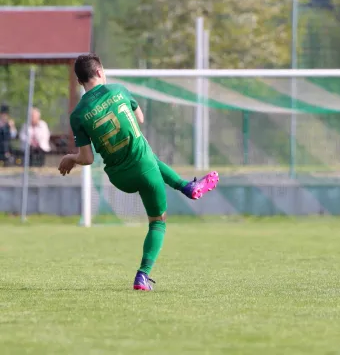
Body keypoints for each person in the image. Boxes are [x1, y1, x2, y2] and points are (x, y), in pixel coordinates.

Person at [58, 53, 219, 290]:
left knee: (146, 155)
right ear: (100, 71)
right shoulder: (118, 90)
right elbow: (139, 119)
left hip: (119, 177)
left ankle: (188, 186)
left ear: (80, 82)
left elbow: (87, 158)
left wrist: (70, 158)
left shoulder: (78, 115)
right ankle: (142, 275)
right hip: (145, 169)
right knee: (158, 223)